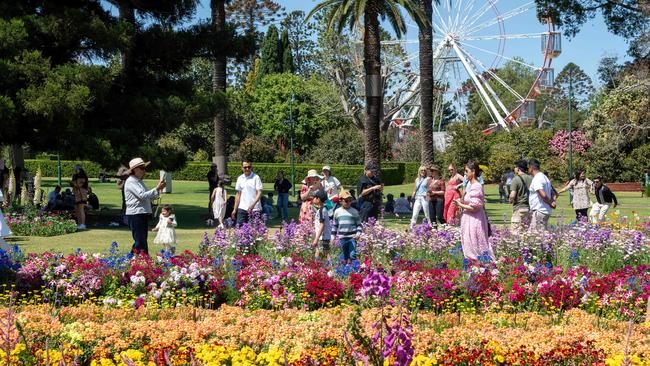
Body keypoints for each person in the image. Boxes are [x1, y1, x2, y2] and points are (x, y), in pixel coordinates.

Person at [124, 157, 166, 255]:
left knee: (142, 239)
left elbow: (147, 197)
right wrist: (157, 188)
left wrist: (158, 190)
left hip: (142, 213)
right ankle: (131, 259)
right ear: (134, 170)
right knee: (139, 240)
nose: (144, 170)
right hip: (136, 214)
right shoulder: (131, 181)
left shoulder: (138, 181)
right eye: (141, 168)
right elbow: (142, 196)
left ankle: (144, 259)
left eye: (144, 168)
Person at [453, 161, 493, 261]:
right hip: (468, 219)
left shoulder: (477, 186)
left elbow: (476, 207)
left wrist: (460, 204)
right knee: (468, 243)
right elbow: (468, 201)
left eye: (467, 171)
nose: (465, 173)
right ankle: (474, 266)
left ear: (473, 171)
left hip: (475, 220)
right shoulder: (470, 185)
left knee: (476, 245)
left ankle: (482, 265)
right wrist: (460, 201)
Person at [332, 190, 362, 264]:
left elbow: (359, 225)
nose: (348, 202)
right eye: (346, 200)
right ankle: (344, 271)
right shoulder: (337, 212)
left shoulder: (354, 211)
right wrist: (333, 237)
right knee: (343, 255)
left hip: (352, 237)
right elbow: (335, 225)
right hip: (342, 237)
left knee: (352, 254)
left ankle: (354, 270)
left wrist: (358, 233)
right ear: (340, 201)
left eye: (350, 200)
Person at [231, 161, 263, 225]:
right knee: (239, 230)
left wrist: (252, 205)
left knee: (255, 230)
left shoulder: (256, 177)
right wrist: (235, 209)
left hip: (255, 209)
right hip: (242, 208)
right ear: (242, 168)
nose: (247, 169)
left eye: (249, 167)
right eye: (245, 167)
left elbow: (259, 192)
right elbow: (238, 194)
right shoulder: (240, 178)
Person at [528, 159, 556, 231]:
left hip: (539, 210)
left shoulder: (537, 178)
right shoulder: (544, 177)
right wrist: (552, 201)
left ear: (531, 168)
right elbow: (553, 192)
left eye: (528, 168)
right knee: (541, 234)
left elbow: (542, 194)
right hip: (545, 210)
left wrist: (550, 203)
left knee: (535, 235)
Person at [509, 159, 533, 233]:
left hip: (519, 208)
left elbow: (512, 195)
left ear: (518, 168)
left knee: (515, 232)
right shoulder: (531, 178)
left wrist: (510, 200)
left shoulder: (516, 179)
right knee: (526, 232)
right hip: (529, 208)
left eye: (515, 167)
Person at [311, 190, 331, 261]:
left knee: (326, 253)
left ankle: (331, 267)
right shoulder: (322, 209)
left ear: (318, 199)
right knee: (318, 251)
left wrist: (316, 239)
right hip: (322, 236)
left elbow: (322, 225)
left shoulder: (322, 210)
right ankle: (315, 266)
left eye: (314, 197)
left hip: (323, 237)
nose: (313, 199)